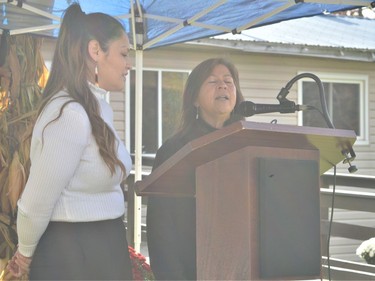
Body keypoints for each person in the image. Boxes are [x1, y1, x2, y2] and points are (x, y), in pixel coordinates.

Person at [7, 3, 133, 280]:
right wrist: (25, 254)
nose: (129, 65)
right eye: (124, 53)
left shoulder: (99, 108)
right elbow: (36, 200)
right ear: (95, 51)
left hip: (104, 249)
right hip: (72, 258)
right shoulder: (68, 113)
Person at [146, 57, 245, 280]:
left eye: (229, 81)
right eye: (212, 81)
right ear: (194, 99)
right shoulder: (175, 150)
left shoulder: (250, 144)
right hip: (191, 269)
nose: (223, 86)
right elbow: (161, 225)